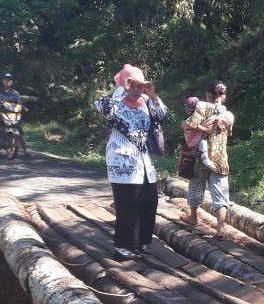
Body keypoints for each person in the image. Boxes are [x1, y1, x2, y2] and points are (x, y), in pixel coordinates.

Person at [94, 64, 169, 260]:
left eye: (140, 85)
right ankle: (122, 247)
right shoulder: (115, 103)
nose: (136, 89)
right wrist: (121, 86)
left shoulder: (145, 103)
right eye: (132, 85)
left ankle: (141, 242)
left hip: (144, 161)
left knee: (149, 201)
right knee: (127, 204)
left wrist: (152, 95)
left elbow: (164, 116)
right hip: (122, 161)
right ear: (124, 85)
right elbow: (100, 106)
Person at [181, 81, 234, 238]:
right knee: (220, 191)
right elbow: (229, 133)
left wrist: (185, 123)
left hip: (200, 157)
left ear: (207, 95)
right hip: (219, 158)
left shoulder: (202, 107)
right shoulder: (228, 114)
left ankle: (193, 217)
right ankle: (220, 228)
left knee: (196, 185)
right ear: (223, 96)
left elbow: (190, 124)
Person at [0, 72, 28, 156]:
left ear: (11, 82)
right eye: (6, 80)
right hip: (0, 112)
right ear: (3, 81)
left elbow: (19, 104)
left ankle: (25, 150)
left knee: (19, 130)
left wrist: (23, 108)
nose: (7, 81)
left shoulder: (15, 93)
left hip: (12, 115)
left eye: (9, 80)